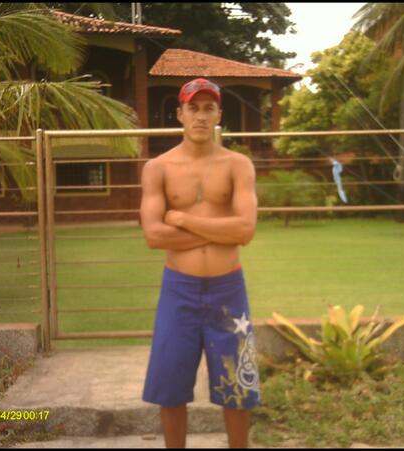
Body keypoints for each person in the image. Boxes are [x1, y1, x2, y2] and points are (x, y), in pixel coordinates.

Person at [140, 78, 261, 448]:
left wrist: (183, 219)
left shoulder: (237, 165)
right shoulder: (158, 168)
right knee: (170, 387)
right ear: (180, 114)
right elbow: (154, 236)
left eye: (209, 108)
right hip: (179, 290)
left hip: (228, 290)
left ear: (219, 114)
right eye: (193, 108)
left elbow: (246, 229)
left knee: (237, 386)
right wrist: (222, 232)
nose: (201, 116)